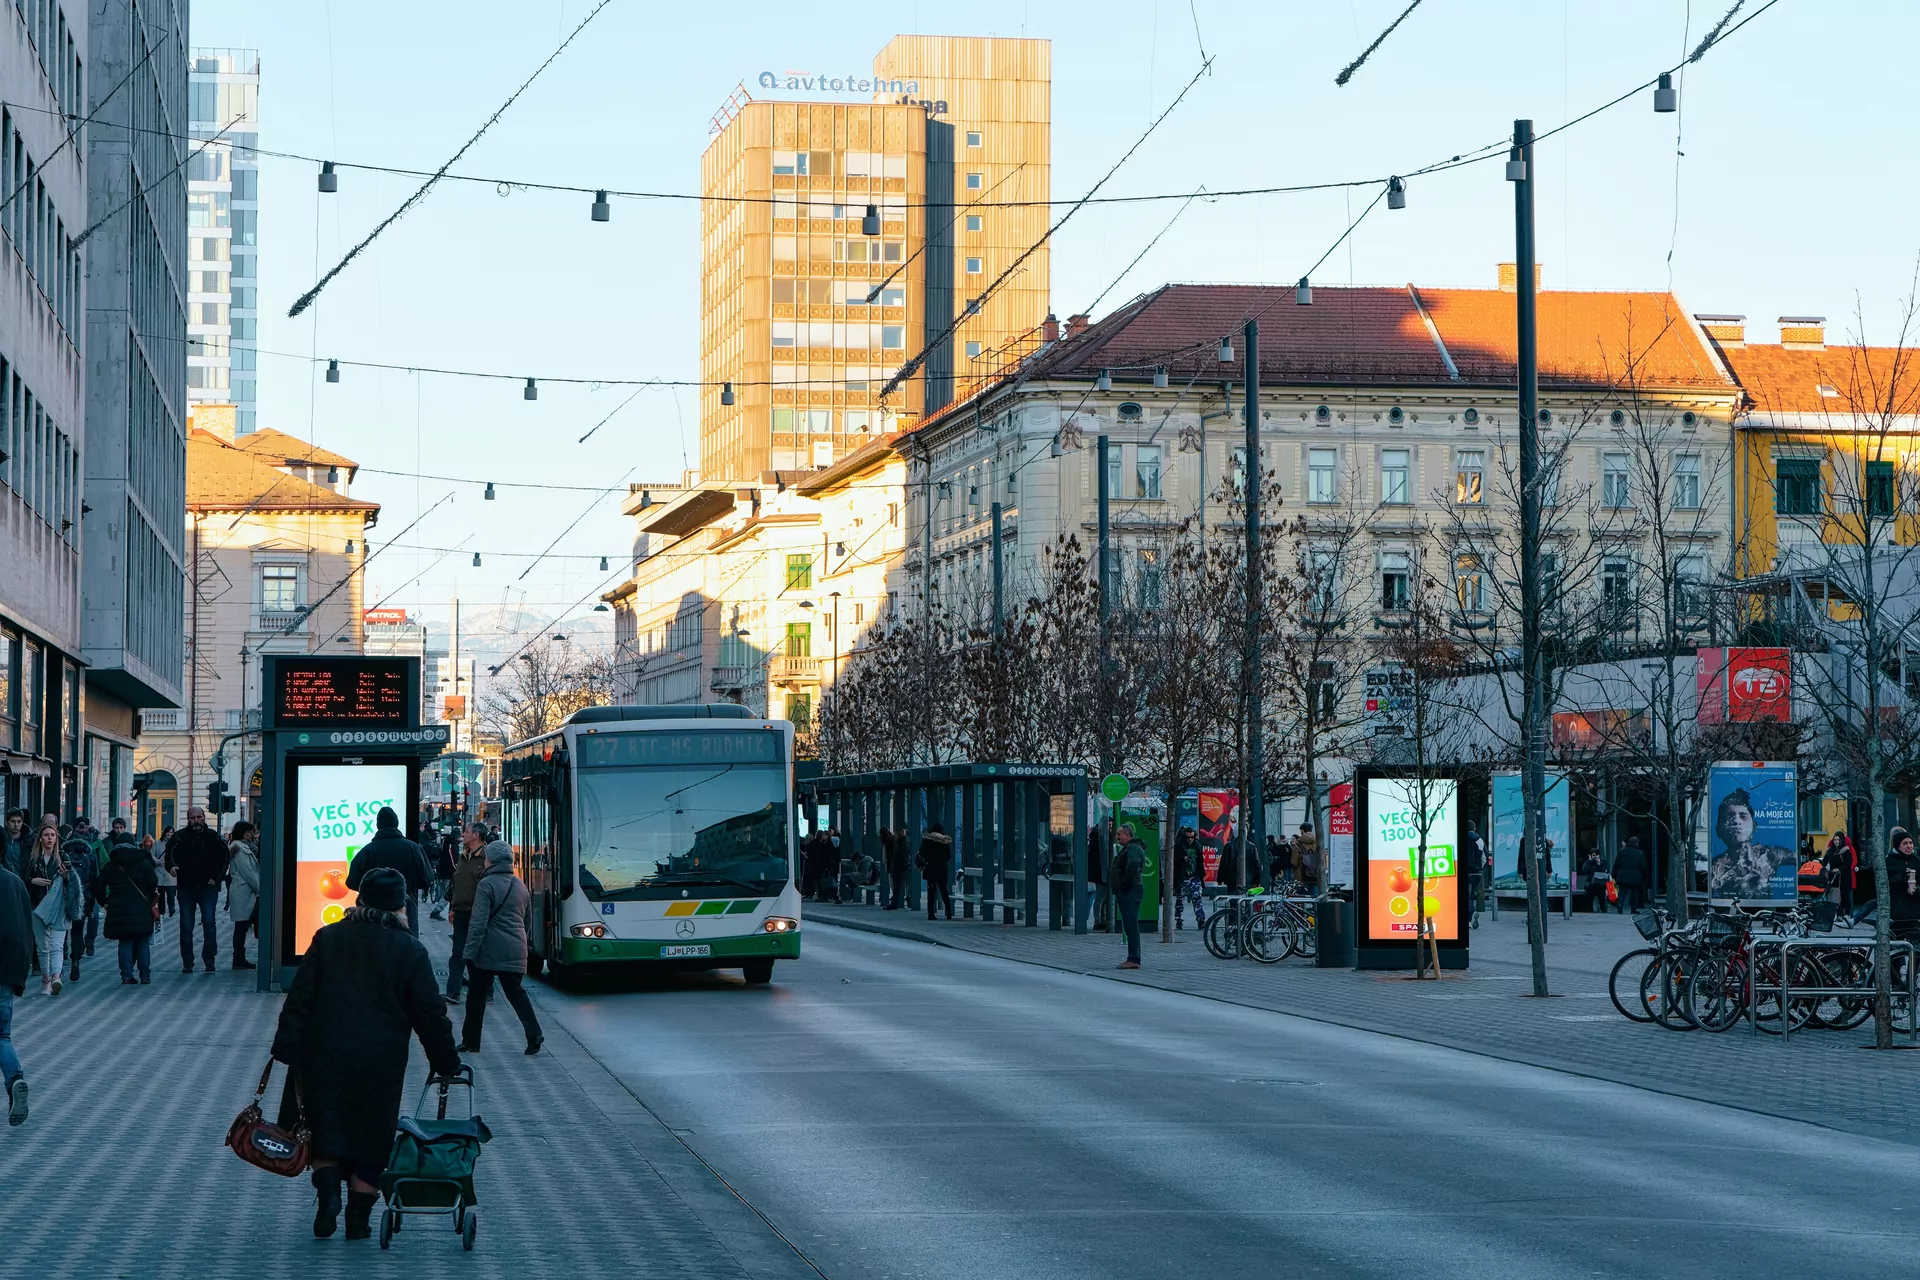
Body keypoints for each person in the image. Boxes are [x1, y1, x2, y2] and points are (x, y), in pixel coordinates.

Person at [271, 866, 461, 1240]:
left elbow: (300, 996)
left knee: (325, 1127)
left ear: (360, 900)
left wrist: (287, 1044)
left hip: (323, 1051)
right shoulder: (410, 949)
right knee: (371, 1136)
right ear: (399, 906)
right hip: (381, 1059)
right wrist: (446, 1061)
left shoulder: (328, 938)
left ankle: (328, 1199)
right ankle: (358, 1220)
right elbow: (430, 1013)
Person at [458, 840, 544, 1056]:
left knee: (476, 995)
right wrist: (519, 941)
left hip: (487, 950)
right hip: (515, 948)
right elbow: (527, 921)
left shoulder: (486, 885)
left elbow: (478, 923)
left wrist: (468, 952)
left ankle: (471, 1042)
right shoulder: (520, 884)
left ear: (490, 860)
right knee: (516, 993)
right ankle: (534, 1034)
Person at [345, 807, 432, 936]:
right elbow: (428, 878)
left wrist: (371, 890)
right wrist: (409, 886)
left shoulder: (367, 851)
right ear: (396, 824)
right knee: (406, 949)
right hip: (406, 913)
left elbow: (351, 881)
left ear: (377, 825)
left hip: (373, 916)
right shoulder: (413, 849)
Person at [166, 806, 229, 973]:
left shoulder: (213, 837)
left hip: (208, 887)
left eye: (198, 817)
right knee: (186, 925)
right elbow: (169, 856)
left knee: (209, 922)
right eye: (192, 818)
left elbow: (225, 858)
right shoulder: (179, 837)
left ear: (203, 818)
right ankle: (187, 961)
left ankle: (209, 960)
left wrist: (216, 878)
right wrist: (172, 867)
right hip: (186, 887)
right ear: (188, 819)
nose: (196, 821)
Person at [94, 830, 158, 984]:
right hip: (142, 907)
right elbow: (153, 882)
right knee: (143, 942)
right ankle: (145, 975)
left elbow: (98, 885)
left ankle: (127, 976)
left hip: (118, 908)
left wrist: (104, 902)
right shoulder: (143, 861)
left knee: (125, 942)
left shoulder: (111, 865)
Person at [24, 826, 81, 997]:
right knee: (43, 947)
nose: (49, 838)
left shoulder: (63, 858)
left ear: (56, 839)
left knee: (57, 945)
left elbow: (73, 883)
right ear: (40, 838)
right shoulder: (33, 859)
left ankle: (56, 977)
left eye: (52, 835)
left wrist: (66, 877)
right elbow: (23, 880)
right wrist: (33, 880)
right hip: (38, 906)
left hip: (59, 906)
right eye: (46, 835)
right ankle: (46, 979)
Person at [1708, 788, 1793, 900]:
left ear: (1754, 826)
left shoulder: (1769, 855)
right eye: (1729, 816)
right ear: (1719, 830)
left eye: (1743, 816)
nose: (1737, 821)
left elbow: (1799, 861)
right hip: (1733, 912)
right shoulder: (1717, 866)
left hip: (1764, 912)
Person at [443, 822, 489, 1004]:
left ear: (476, 835)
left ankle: (486, 991)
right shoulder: (463, 855)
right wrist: (452, 908)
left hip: (477, 914)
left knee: (477, 955)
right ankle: (452, 992)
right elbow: (457, 883)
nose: (464, 834)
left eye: (467, 832)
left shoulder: (486, 857)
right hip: (461, 912)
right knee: (457, 953)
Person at [0, 850, 30, 1124]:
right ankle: (14, 1081)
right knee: (2, 1036)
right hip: (7, 971)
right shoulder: (15, 883)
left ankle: (14, 1084)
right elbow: (25, 928)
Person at [1109, 820, 1146, 970]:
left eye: (1119, 834)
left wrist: (1124, 885)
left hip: (1130, 891)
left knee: (1131, 925)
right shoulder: (1130, 848)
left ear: (1127, 835)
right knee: (1129, 924)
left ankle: (1134, 959)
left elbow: (1132, 867)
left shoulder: (1133, 848)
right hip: (1128, 890)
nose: (1117, 837)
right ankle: (1132, 957)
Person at [227, 822, 261, 970]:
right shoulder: (238, 848)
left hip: (246, 891)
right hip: (243, 891)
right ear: (243, 832)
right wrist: (260, 888)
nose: (252, 835)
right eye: (250, 832)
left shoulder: (243, 847)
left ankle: (239, 958)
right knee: (241, 926)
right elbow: (247, 871)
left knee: (243, 926)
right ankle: (238, 958)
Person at [1885, 829, 1920, 947]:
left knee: (1916, 948)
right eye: (1905, 843)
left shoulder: (1916, 860)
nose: (1909, 846)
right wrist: (1903, 877)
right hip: (1896, 912)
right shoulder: (1889, 861)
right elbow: (1887, 883)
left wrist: (1916, 890)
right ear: (1897, 845)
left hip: (1914, 912)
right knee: (1895, 947)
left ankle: (1914, 966)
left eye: (1910, 843)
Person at [917, 823, 954, 921]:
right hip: (942, 868)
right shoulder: (944, 841)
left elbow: (921, 853)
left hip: (931, 868)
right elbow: (948, 857)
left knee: (931, 891)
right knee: (944, 891)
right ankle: (949, 912)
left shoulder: (927, 841)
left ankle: (931, 913)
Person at [1172, 827, 1206, 931]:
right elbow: (1173, 860)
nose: (1190, 840)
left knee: (1197, 899)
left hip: (1194, 876)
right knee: (1180, 900)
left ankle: (1201, 919)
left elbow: (1200, 861)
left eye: (1192, 837)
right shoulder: (1179, 845)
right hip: (1182, 877)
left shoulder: (1197, 845)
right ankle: (1178, 919)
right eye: (1188, 838)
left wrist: (1201, 875)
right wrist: (1183, 859)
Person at [1612, 836, 1649, 913]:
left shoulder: (1621, 852)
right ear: (1636, 843)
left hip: (1622, 876)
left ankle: (1619, 905)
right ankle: (1633, 909)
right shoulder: (1639, 853)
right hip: (1635, 877)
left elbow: (1616, 864)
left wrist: (1614, 875)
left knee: (1622, 892)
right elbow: (1643, 866)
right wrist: (1644, 876)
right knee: (1634, 894)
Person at [1462, 820, 1487, 927]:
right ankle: (1470, 915)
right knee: (1471, 895)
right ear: (1474, 828)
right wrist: (1480, 868)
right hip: (1475, 872)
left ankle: (1466, 918)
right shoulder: (1479, 840)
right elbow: (1484, 858)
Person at [428, 831, 456, 922]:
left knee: (447, 892)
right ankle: (437, 910)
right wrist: (456, 869)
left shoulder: (445, 843)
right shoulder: (451, 844)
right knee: (448, 893)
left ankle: (441, 911)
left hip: (444, 871)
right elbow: (453, 859)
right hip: (449, 872)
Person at [1088, 824, 1110, 931]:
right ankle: (1099, 920)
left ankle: (1101, 920)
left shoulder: (1095, 838)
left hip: (1099, 874)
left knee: (1102, 898)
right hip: (1101, 874)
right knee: (1101, 898)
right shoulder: (1100, 840)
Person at [152, 826, 176, 923]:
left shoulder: (175, 844)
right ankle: (162, 912)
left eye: (171, 832)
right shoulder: (157, 843)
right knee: (161, 895)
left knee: (171, 895)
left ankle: (171, 909)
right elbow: (151, 854)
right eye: (168, 832)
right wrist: (157, 861)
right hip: (160, 872)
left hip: (170, 873)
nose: (169, 834)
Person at [1293, 822, 1321, 893]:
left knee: (1301, 898)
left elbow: (1294, 862)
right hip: (1316, 874)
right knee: (1315, 897)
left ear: (1302, 830)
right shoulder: (1318, 842)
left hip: (1301, 876)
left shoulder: (1298, 844)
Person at [3, 808, 30, 879]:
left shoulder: (29, 841)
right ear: (6, 822)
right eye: (13, 821)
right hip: (5, 880)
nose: (16, 825)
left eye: (19, 822)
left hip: (23, 881)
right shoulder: (2, 840)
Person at [1579, 849, 1608, 914]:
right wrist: (1589, 861)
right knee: (1589, 898)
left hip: (1601, 884)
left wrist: (1599, 863)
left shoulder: (1603, 862)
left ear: (1598, 855)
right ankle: (1590, 910)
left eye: (1594, 855)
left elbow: (1606, 871)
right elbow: (1584, 871)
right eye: (1592, 855)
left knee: (1602, 898)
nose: (1593, 857)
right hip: (1591, 884)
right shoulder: (1588, 862)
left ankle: (1603, 910)